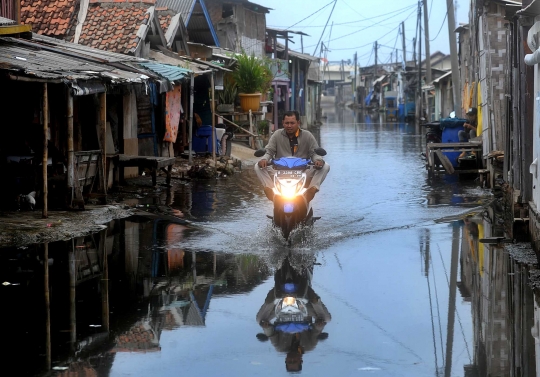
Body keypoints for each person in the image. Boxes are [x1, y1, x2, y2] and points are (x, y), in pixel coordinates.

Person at [255, 110, 330, 202]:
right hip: (279, 174)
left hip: (303, 174)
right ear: (283, 123)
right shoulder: (277, 135)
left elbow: (314, 153)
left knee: (325, 166)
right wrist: (264, 159)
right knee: (257, 166)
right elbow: (269, 151)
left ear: (298, 123)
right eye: (287, 123)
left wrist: (318, 160)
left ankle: (312, 190)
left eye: (292, 123)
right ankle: (271, 190)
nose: (289, 126)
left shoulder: (308, 136)